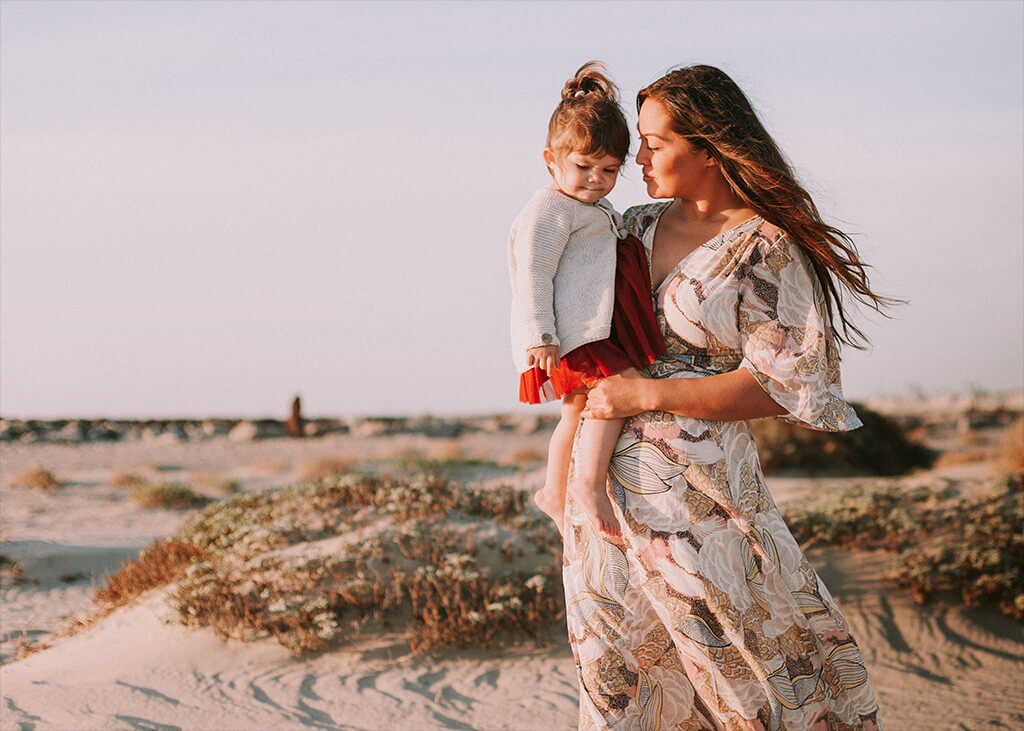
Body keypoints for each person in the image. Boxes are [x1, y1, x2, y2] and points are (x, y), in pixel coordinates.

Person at [562, 65, 890, 729]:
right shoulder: (629, 226)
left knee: (739, 670)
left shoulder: (764, 245)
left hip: (702, 498)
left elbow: (780, 382)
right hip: (601, 498)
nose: (638, 158)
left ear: (710, 147)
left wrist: (645, 391)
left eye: (655, 143)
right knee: (620, 676)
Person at [508, 62, 664, 539]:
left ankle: (553, 491)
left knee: (575, 410)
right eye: (583, 166)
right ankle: (589, 484)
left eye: (609, 170)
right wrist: (540, 334)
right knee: (623, 387)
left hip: (585, 329)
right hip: (572, 333)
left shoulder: (592, 207)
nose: (596, 178)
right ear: (551, 159)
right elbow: (532, 272)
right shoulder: (549, 208)